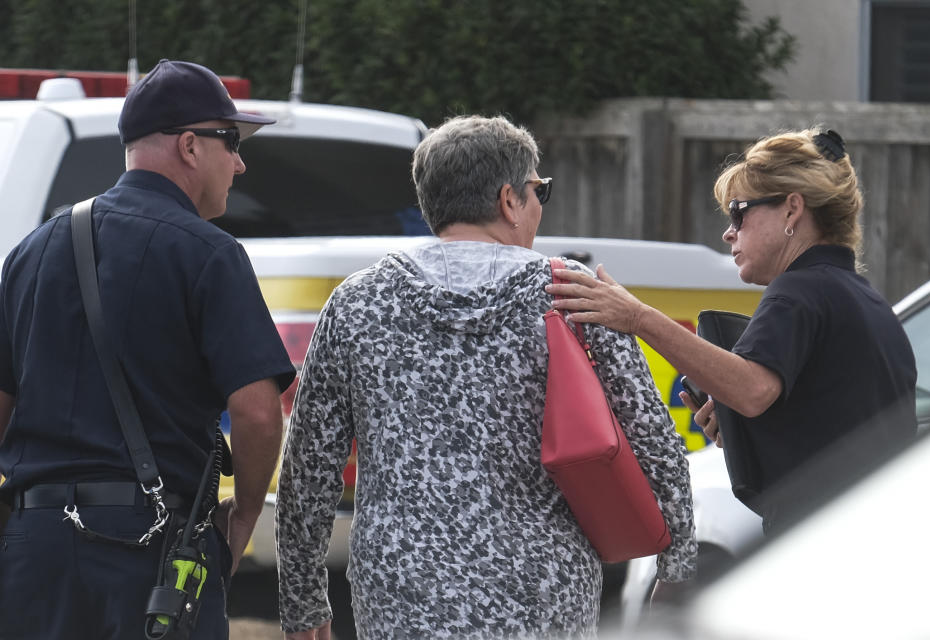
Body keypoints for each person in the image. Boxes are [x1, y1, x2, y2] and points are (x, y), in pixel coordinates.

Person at [276, 115, 696, 640]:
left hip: (401, 592)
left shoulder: (360, 301)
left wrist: (303, 601)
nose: (541, 204)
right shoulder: (571, 295)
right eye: (540, 189)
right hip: (544, 591)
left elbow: (309, 467)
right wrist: (677, 566)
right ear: (509, 200)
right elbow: (653, 439)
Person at [0, 59, 295, 639]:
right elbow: (259, 413)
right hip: (150, 555)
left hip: (33, 552)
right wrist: (239, 522)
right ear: (189, 146)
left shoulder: (31, 251)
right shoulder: (211, 254)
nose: (239, 162)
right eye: (230, 141)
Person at [547, 128, 918, 533]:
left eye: (739, 212)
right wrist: (749, 434)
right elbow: (835, 427)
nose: (729, 231)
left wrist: (637, 317)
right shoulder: (866, 299)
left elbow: (752, 391)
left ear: (792, 210)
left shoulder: (797, 290)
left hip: (821, 543)